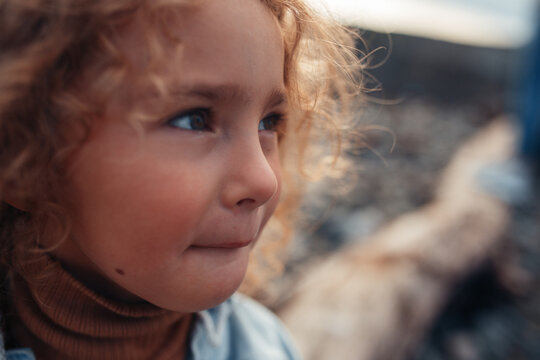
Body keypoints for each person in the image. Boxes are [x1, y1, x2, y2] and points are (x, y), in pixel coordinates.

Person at [0, 0, 363, 358]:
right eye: (194, 119)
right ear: (20, 158)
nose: (264, 179)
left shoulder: (264, 347)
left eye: (268, 123)